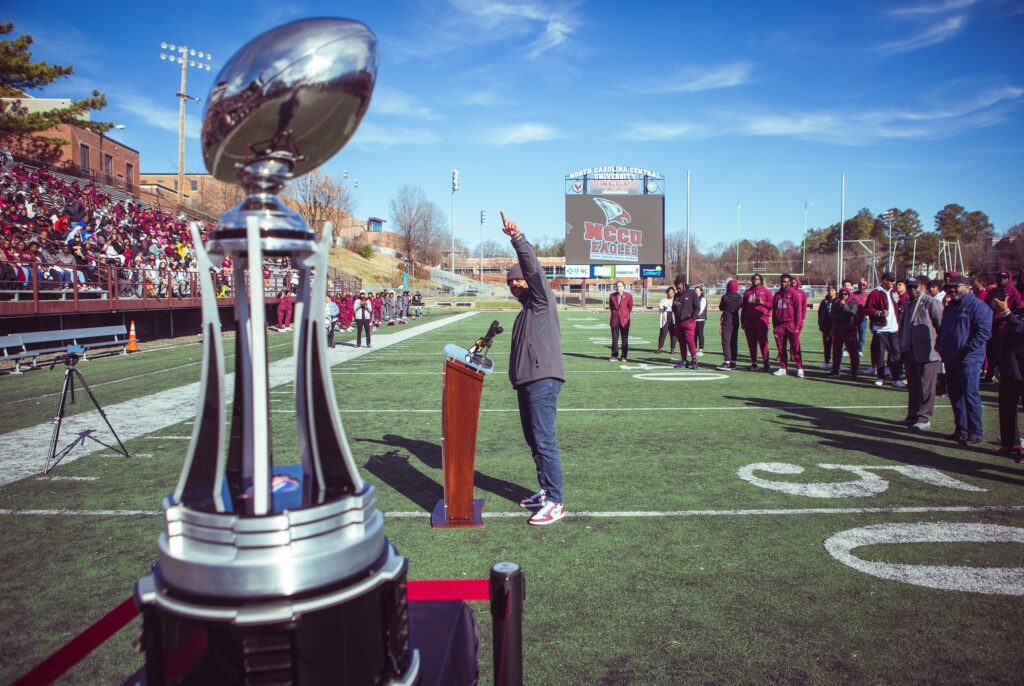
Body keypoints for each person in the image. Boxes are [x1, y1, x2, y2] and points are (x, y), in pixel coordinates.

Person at [501, 211, 566, 526]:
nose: (515, 284)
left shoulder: (540, 300)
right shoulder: (525, 312)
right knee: (534, 440)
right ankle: (544, 490)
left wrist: (517, 239)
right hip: (526, 382)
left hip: (543, 380)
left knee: (544, 439)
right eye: (510, 282)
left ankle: (555, 500)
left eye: (518, 279)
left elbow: (534, 270)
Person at [936, 275, 992, 445]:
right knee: (955, 395)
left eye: (955, 286)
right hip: (951, 358)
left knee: (970, 395)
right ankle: (961, 429)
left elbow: (984, 333)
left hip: (969, 359)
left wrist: (965, 349)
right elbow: (944, 330)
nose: (951, 290)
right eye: (948, 287)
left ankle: (975, 432)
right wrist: (941, 347)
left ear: (967, 286)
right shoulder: (951, 307)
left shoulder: (978, 306)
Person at [899, 277, 943, 431]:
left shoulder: (931, 302)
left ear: (922, 286)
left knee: (926, 386)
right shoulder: (907, 303)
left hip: (928, 352)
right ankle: (912, 415)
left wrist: (939, 348)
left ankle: (924, 418)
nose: (912, 290)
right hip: (909, 350)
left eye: (915, 287)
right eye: (910, 287)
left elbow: (941, 325)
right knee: (913, 385)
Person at [992, 291, 1024, 462]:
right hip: (1011, 369)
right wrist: (998, 363)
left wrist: (1006, 313)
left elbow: (1021, 329)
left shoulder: (1013, 314)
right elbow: (1005, 338)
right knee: (1007, 408)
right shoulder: (1019, 312)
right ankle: (1011, 443)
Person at [983, 270, 1023, 383]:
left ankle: (1003, 375)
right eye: (1000, 278)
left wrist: (1008, 315)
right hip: (992, 327)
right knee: (990, 351)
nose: (1002, 280)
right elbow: (985, 307)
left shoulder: (1014, 292)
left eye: (1005, 278)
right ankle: (989, 374)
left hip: (1006, 327)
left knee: (1003, 353)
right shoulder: (992, 292)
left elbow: (1020, 308)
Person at [865, 272, 903, 388]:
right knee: (879, 354)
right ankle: (881, 377)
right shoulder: (875, 293)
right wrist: (879, 313)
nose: (893, 283)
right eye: (891, 281)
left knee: (896, 354)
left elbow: (898, 304)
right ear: (885, 280)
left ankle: (896, 378)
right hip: (880, 329)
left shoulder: (893, 292)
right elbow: (867, 308)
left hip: (894, 328)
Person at [771, 274, 805, 377]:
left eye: (786, 282)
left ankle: (799, 368)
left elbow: (798, 311)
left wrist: (797, 326)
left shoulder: (794, 294)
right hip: (779, 326)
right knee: (781, 348)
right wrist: (774, 325)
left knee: (795, 348)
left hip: (791, 324)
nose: (783, 283)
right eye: (782, 282)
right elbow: (774, 311)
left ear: (789, 282)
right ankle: (783, 368)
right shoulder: (776, 295)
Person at [741, 273, 773, 372]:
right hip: (749, 321)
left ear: (761, 280)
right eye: (754, 279)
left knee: (763, 343)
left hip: (761, 320)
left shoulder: (766, 292)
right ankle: (754, 363)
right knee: (751, 344)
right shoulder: (747, 292)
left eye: (758, 279)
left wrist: (762, 302)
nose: (755, 280)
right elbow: (744, 308)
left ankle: (766, 363)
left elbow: (772, 305)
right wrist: (742, 321)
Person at [828, 288, 860, 378]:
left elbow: (850, 313)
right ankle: (835, 370)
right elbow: (832, 316)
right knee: (836, 352)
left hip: (849, 330)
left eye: (846, 294)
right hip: (838, 330)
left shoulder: (853, 303)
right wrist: (842, 316)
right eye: (842, 294)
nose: (844, 296)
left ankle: (854, 371)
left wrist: (844, 305)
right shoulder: (836, 303)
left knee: (853, 352)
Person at [672, 276, 699, 369]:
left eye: (679, 287)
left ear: (683, 284)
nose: (678, 289)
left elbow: (697, 308)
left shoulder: (692, 294)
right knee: (681, 342)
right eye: (676, 288)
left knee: (690, 341)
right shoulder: (676, 295)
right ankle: (683, 360)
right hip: (678, 323)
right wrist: (675, 307)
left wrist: (692, 319)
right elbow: (673, 308)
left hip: (688, 322)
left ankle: (694, 360)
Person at [717, 279, 743, 371]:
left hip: (727, 321)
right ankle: (733, 362)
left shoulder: (725, 297)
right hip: (735, 320)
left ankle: (727, 362)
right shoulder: (740, 298)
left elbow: (721, 307)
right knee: (734, 341)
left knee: (726, 341)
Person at [608, 280, 633, 362]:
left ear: (623, 287)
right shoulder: (612, 296)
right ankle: (614, 356)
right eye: (617, 286)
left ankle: (624, 356)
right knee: (615, 339)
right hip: (615, 320)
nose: (618, 288)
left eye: (620, 286)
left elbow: (630, 308)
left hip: (624, 320)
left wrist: (624, 314)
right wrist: (616, 314)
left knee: (624, 339)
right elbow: (611, 308)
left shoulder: (629, 296)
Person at [818, 285, 837, 370]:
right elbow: (820, 313)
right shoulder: (824, 302)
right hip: (826, 327)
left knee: (836, 347)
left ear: (836, 291)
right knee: (826, 346)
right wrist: (821, 324)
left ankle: (836, 364)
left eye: (832, 290)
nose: (830, 292)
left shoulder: (838, 301)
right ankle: (826, 362)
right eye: (829, 290)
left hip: (836, 327)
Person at [656, 286, 676, 355]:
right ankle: (660, 348)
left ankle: (672, 349)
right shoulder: (663, 300)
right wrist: (663, 308)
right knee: (663, 333)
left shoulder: (676, 300)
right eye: (669, 292)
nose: (671, 293)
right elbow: (660, 308)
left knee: (673, 334)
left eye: (672, 292)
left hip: (673, 318)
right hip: (665, 318)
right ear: (667, 293)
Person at [694, 286, 708, 357]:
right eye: (695, 290)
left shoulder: (703, 299)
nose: (696, 291)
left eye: (698, 290)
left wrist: (693, 315)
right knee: (694, 335)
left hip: (700, 319)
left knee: (700, 335)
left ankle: (701, 350)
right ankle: (693, 350)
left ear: (701, 291)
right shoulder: (693, 298)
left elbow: (700, 310)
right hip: (694, 319)